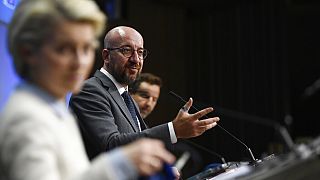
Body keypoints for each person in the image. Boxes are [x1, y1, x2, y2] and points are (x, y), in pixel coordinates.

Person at [0, 0, 175, 180]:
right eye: (65, 49)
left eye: (86, 49)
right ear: (28, 52)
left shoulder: (54, 111)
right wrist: (121, 163)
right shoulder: (27, 119)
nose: (79, 63)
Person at [69, 26, 220, 160]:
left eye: (140, 52)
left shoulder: (126, 97)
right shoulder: (90, 90)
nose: (136, 59)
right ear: (106, 56)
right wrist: (173, 130)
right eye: (126, 50)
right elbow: (111, 145)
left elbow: (140, 146)